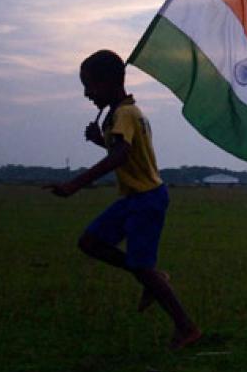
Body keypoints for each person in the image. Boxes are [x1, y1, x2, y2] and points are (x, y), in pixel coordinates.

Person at [46, 50, 202, 349]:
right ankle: (154, 279)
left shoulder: (126, 114)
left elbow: (120, 155)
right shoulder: (122, 113)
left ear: (108, 82)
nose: (87, 94)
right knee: (90, 243)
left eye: (90, 85)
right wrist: (98, 140)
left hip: (147, 199)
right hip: (133, 198)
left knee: (141, 266)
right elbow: (121, 150)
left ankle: (187, 329)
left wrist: (74, 185)